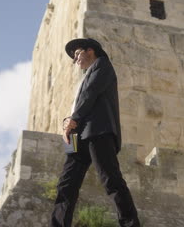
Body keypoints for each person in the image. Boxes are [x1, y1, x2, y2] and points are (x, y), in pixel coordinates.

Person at [49, 38, 140, 227]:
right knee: (66, 185)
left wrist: (74, 118)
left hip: (97, 132)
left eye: (77, 54)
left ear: (90, 51)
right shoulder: (85, 76)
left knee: (111, 181)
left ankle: (130, 224)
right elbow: (83, 99)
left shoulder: (103, 65)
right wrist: (69, 120)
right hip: (77, 137)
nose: (75, 60)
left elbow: (90, 93)